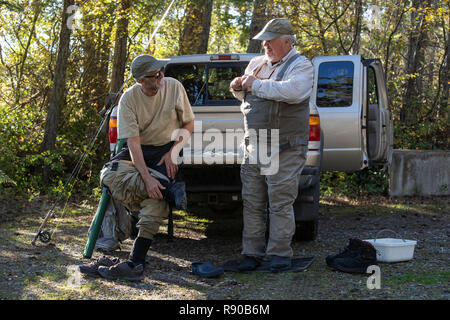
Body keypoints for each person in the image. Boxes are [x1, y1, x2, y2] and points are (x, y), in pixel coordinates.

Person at [82, 54, 195, 281]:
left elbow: (189, 124)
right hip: (140, 150)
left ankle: (136, 262)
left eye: (162, 71)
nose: (162, 76)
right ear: (142, 80)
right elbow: (132, 143)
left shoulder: (174, 87)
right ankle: (168, 192)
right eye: (156, 75)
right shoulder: (129, 99)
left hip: (168, 149)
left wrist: (173, 153)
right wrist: (148, 180)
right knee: (109, 175)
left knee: (155, 205)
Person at [230, 18, 314, 272]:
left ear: (287, 41)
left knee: (279, 202)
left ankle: (279, 256)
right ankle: (251, 254)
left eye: (271, 39)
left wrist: (254, 85)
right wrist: (236, 88)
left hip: (285, 146)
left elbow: (293, 92)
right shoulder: (256, 63)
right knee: (252, 202)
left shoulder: (302, 65)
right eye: (264, 39)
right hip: (253, 146)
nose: (265, 44)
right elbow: (246, 92)